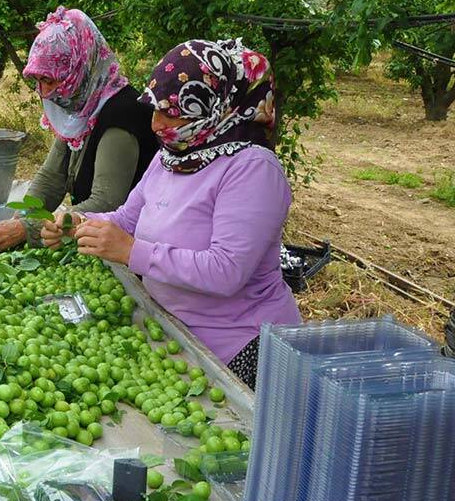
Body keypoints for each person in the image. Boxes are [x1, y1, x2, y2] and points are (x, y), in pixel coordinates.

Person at [43, 39, 301, 387]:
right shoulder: (174, 156)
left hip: (241, 349)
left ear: (212, 108)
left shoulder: (252, 169)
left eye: (171, 113)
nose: (155, 124)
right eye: (155, 109)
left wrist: (132, 252)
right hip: (179, 335)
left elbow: (226, 271)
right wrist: (78, 224)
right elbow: (126, 220)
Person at [0, 7, 159, 251]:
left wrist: (27, 229)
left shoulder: (122, 115)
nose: (44, 92)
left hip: (128, 245)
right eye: (39, 81)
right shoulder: (82, 106)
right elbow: (51, 178)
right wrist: (22, 217)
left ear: (79, 68)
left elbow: (107, 202)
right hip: (91, 238)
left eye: (49, 80)